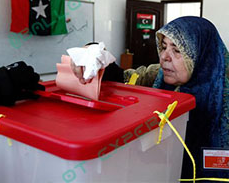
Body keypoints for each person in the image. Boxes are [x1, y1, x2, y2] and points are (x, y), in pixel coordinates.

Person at [70, 17, 229, 179]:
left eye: (177, 50)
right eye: (164, 47)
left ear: (202, 54)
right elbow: (122, 78)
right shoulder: (156, 75)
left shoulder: (224, 91)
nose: (164, 57)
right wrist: (94, 53)